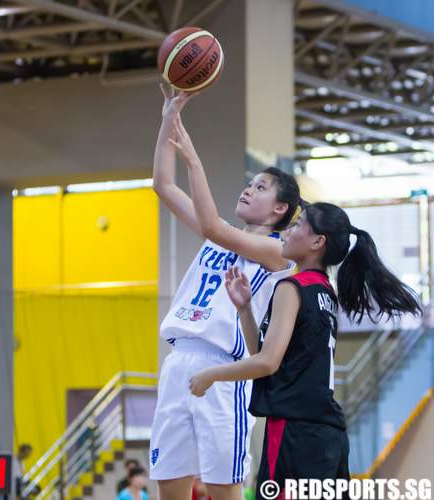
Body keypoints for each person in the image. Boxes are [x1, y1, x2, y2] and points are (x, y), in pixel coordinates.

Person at [189, 203, 421, 499]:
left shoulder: (291, 287)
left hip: (295, 433)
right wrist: (245, 309)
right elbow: (263, 353)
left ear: (317, 242)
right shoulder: (326, 291)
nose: (287, 231)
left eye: (297, 225)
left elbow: (267, 363)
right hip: (327, 434)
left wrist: (210, 375)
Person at [150, 85, 301, 500]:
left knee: (224, 491)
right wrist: (169, 118)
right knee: (171, 488)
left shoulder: (277, 251)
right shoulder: (220, 239)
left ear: (279, 210)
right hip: (179, 362)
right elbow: (163, 185)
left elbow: (214, 224)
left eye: (261, 187)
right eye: (250, 183)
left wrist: (193, 156)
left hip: (226, 371)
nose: (248, 189)